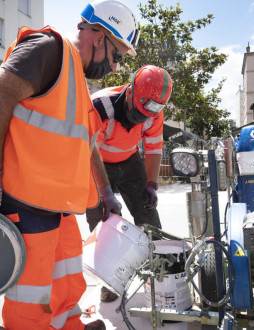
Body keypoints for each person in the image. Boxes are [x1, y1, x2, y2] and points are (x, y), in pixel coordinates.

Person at [0, 0, 139, 329]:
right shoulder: (49, 50)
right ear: (100, 37)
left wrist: (104, 193)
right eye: (118, 56)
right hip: (26, 206)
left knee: (66, 289)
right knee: (30, 302)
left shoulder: (77, 82)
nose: (116, 68)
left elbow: (88, 145)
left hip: (59, 211)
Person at [86, 65, 172, 302]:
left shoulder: (154, 111)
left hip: (130, 161)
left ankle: (163, 272)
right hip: (97, 163)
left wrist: (152, 184)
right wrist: (104, 193)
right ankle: (109, 280)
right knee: (103, 222)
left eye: (149, 114)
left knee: (148, 214)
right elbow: (90, 151)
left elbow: (154, 147)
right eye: (140, 111)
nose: (143, 118)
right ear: (131, 91)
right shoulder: (101, 106)